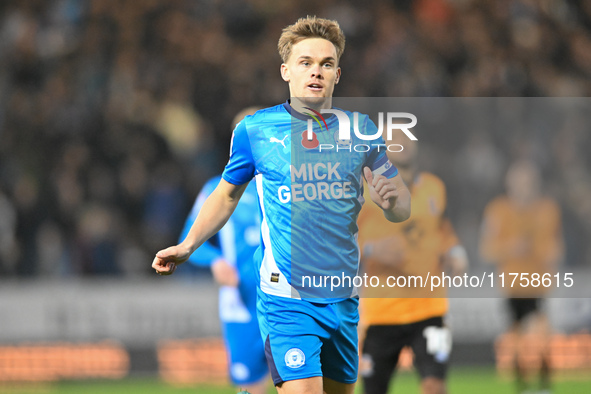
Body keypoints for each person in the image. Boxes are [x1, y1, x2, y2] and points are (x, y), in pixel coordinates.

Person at [152, 16, 411, 394]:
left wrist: (392, 203)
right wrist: (189, 246)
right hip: (286, 297)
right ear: (286, 71)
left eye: (325, 64)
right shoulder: (256, 130)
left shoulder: (361, 131)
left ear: (337, 74)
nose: (316, 72)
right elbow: (226, 194)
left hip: (344, 298)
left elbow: (402, 204)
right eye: (305, 62)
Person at [357, 130, 468, 394]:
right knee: (374, 389)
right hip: (382, 311)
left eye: (407, 137)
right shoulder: (362, 193)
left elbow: (444, 231)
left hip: (430, 308)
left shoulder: (434, 187)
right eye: (394, 138)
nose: (403, 142)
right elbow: (338, 241)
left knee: (435, 384)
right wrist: (371, 249)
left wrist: (456, 252)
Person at [480, 159, 563, 394]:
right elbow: (486, 250)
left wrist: (548, 254)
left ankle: (544, 385)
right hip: (512, 285)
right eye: (520, 181)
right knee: (516, 340)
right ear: (510, 183)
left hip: (539, 284)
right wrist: (511, 247)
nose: (524, 186)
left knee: (543, 338)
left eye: (528, 181)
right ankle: (523, 386)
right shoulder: (498, 210)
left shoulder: (548, 209)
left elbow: (557, 246)